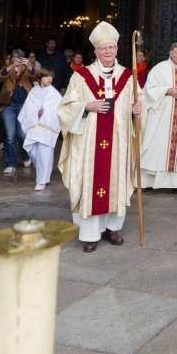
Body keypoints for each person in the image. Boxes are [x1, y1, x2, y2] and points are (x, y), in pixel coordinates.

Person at [57, 20, 144, 253]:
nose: (107, 52)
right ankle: (90, 234)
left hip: (118, 142)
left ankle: (112, 228)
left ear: (117, 49)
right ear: (95, 52)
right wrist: (87, 105)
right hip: (89, 143)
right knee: (90, 181)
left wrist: (138, 111)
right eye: (103, 48)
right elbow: (65, 107)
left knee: (116, 179)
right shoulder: (81, 76)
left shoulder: (128, 76)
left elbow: (140, 102)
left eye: (111, 48)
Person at [140, 42, 177, 195]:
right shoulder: (159, 69)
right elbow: (148, 89)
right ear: (171, 53)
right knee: (156, 147)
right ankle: (149, 182)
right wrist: (167, 90)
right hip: (162, 117)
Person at [18, 66, 62, 192]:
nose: (50, 79)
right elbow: (28, 107)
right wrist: (37, 111)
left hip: (47, 127)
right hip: (34, 125)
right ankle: (43, 174)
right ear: (40, 77)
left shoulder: (54, 93)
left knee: (45, 153)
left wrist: (46, 111)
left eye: (51, 77)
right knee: (32, 151)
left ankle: (41, 180)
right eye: (47, 76)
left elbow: (59, 109)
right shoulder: (34, 90)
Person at [0, 48, 34, 174]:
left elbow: (36, 77)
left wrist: (29, 65)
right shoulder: (7, 68)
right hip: (8, 106)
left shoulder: (28, 68)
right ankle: (11, 164)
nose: (17, 59)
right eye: (14, 57)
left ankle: (26, 155)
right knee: (10, 136)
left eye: (19, 57)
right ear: (11, 58)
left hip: (23, 105)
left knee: (22, 135)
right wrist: (11, 66)